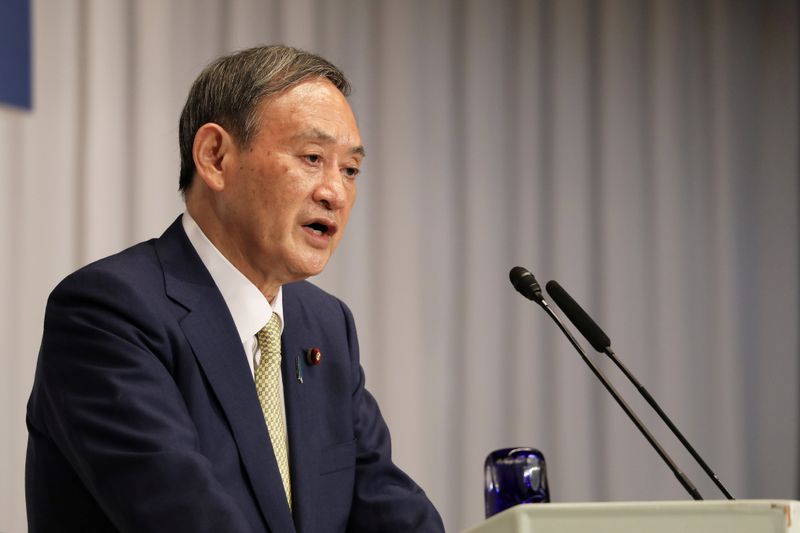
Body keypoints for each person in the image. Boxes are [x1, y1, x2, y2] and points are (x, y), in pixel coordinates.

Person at [25, 45, 444, 533]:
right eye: (312, 158)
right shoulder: (108, 313)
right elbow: (181, 514)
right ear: (215, 157)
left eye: (349, 169)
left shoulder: (325, 326)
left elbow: (388, 506)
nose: (335, 192)